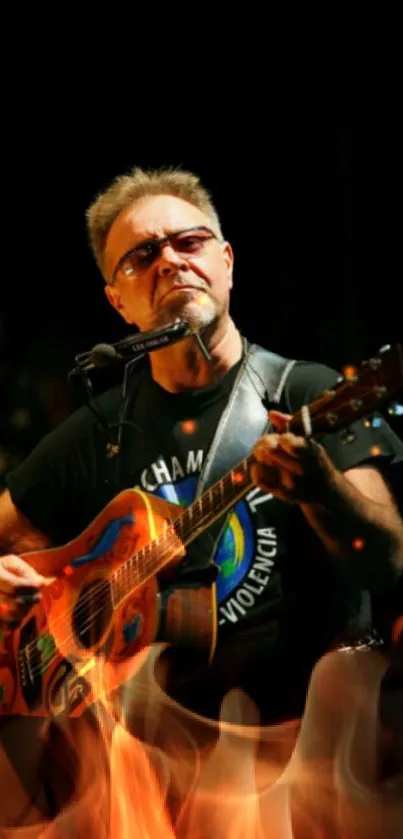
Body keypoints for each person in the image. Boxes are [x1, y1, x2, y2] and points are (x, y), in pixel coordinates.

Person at [0, 165, 402, 731]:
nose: (169, 261)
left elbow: (386, 559)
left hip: (303, 749)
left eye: (189, 242)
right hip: (144, 768)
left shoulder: (307, 392)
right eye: (142, 256)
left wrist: (324, 491)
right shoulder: (102, 428)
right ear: (118, 303)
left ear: (227, 264)